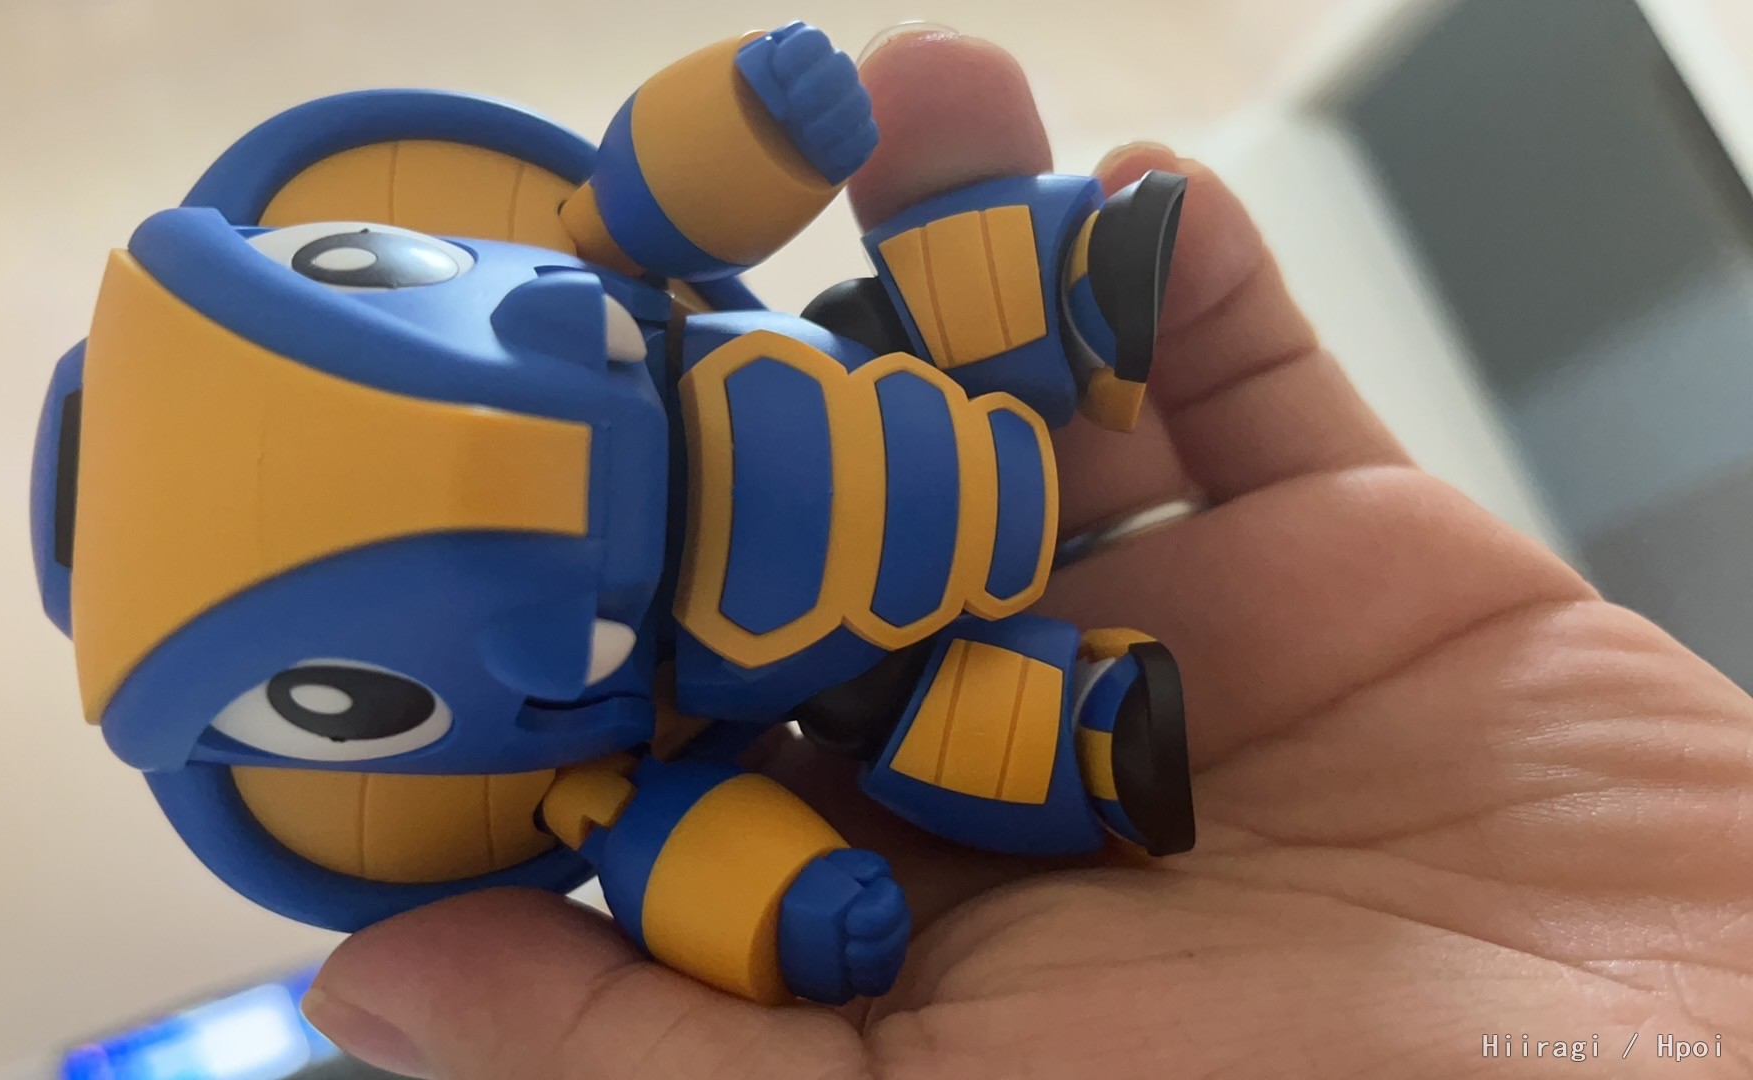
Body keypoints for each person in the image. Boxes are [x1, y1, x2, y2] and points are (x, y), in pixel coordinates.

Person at [295, 28, 1753, 1078]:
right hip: (855, 665)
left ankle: (1080, 295)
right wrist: (794, 919)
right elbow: (651, 832)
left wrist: (765, 116)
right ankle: (1096, 743)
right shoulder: (594, 756)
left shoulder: (608, 298)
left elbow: (644, 202)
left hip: (876, 385)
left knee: (909, 312)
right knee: (900, 723)